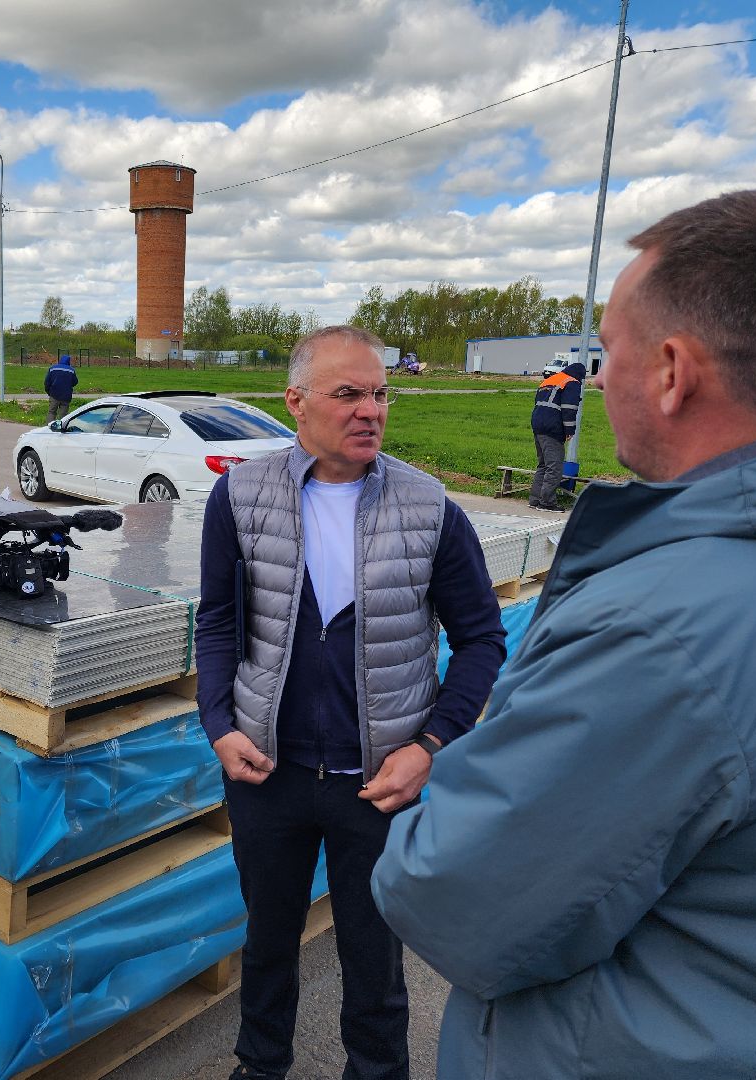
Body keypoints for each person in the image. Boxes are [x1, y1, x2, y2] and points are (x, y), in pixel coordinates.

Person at [373, 190, 756, 1079]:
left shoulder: (664, 631)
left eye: (608, 350)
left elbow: (455, 897)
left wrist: (457, 758)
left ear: (670, 371)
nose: (597, 378)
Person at [196, 325, 507, 1080]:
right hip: (269, 772)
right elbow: (216, 621)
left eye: (379, 394)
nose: (370, 410)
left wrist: (428, 746)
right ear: (296, 402)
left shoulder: (430, 507)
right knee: (268, 940)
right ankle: (260, 1065)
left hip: (379, 782)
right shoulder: (241, 495)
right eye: (349, 394)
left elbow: (482, 640)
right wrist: (218, 724)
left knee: (374, 955)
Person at [528, 357, 585, 510]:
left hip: (537, 424)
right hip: (552, 427)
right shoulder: (572, 382)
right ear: (579, 375)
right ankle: (547, 502)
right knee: (555, 467)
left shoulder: (551, 380)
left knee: (543, 465)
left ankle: (535, 500)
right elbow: (569, 409)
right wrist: (569, 431)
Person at [44, 353, 78, 423]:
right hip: (66, 396)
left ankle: (49, 428)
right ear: (68, 361)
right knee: (63, 415)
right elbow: (75, 382)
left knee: (52, 412)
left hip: (54, 394)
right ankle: (61, 429)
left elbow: (47, 382)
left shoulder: (52, 368)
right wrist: (68, 386)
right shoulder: (71, 370)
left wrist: (48, 391)